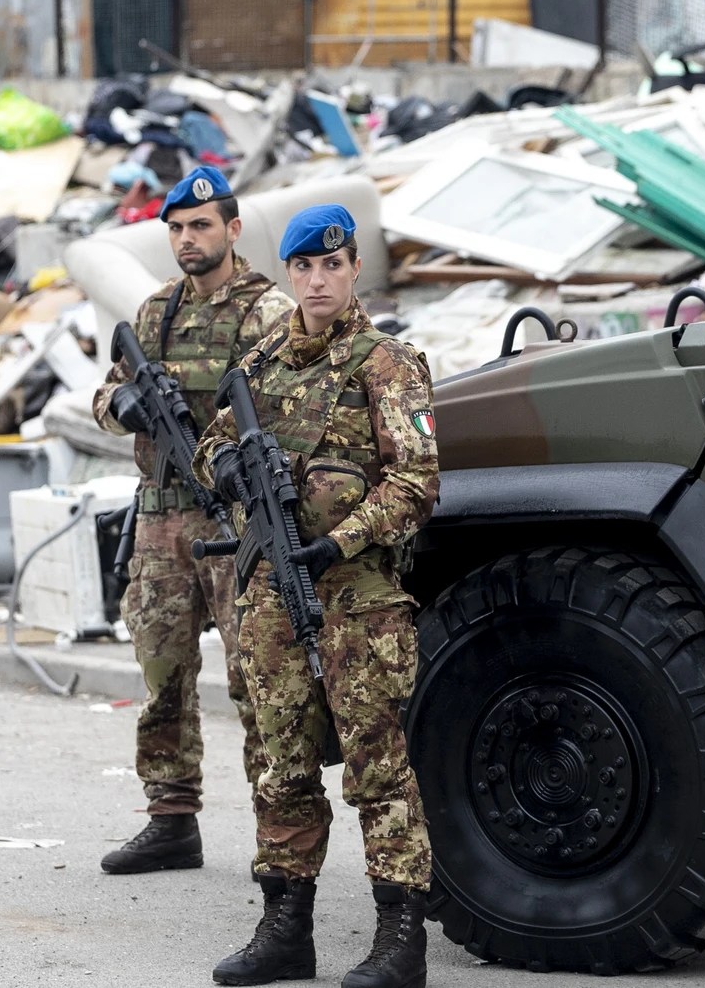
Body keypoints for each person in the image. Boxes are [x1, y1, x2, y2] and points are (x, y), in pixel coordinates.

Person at [194, 204, 437, 988]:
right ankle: (284, 926)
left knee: (378, 768)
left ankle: (400, 939)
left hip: (358, 596)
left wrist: (341, 539)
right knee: (280, 761)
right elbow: (208, 445)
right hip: (269, 595)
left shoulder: (387, 362)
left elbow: (417, 481)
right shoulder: (262, 359)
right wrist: (226, 467)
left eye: (332, 266)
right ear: (290, 273)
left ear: (353, 268)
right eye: (304, 267)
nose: (317, 279)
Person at [92, 166, 295, 875]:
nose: (187, 239)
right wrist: (124, 407)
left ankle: (280, 830)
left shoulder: (268, 312)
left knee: (257, 677)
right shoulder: (156, 314)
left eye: (201, 225)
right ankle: (171, 817)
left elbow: (283, 409)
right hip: (160, 522)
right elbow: (108, 392)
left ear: (233, 229)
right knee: (162, 671)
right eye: (176, 228)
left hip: (235, 521)